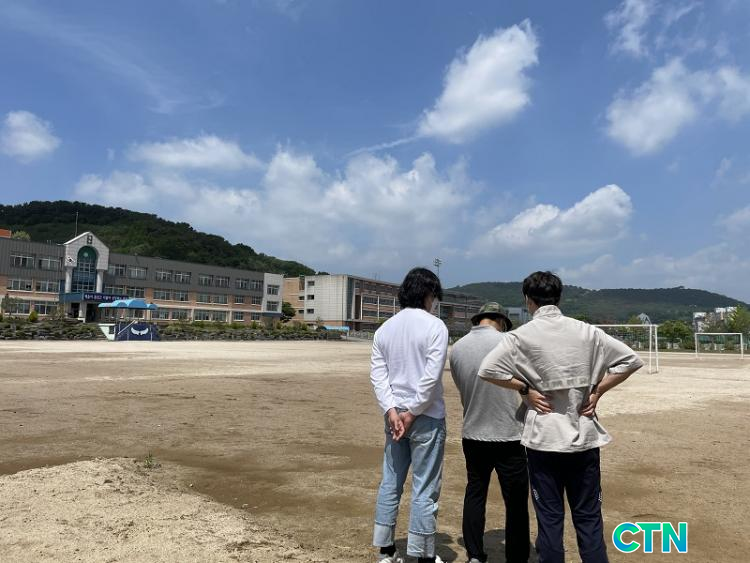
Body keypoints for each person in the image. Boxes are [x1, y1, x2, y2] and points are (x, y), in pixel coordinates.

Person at [478, 271, 644, 563]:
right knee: (589, 518)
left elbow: (488, 370)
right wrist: (598, 391)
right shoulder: (587, 332)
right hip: (583, 435)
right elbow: (631, 360)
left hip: (544, 437)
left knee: (550, 520)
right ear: (559, 297)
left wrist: (524, 388)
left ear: (527, 300)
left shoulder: (520, 336)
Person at [370, 267, 449, 563]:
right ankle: (423, 554)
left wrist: (392, 410)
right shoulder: (435, 327)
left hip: (394, 417)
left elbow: (379, 376)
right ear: (429, 294)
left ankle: (386, 550)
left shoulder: (384, 329)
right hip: (425, 416)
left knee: (391, 481)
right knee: (425, 487)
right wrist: (412, 413)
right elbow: (430, 377)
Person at [449, 302, 531, 563]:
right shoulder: (511, 342)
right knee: (515, 502)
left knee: (475, 493)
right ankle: (516, 557)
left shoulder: (458, 347)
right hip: (510, 433)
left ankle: (475, 554)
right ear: (501, 321)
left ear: (479, 319)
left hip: (473, 431)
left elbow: (462, 387)